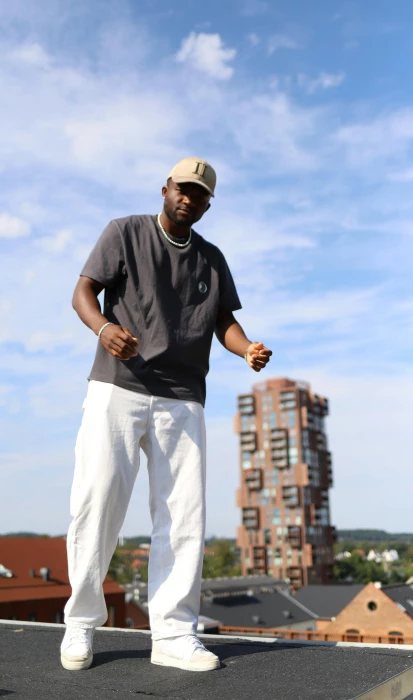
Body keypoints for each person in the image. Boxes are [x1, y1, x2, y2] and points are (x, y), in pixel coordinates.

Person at [61, 157, 272, 673]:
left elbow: (225, 321)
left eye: (200, 194)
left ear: (207, 204)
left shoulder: (212, 258)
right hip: (118, 385)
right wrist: (102, 328)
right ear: (165, 188)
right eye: (183, 188)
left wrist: (245, 349)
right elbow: (83, 292)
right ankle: (82, 624)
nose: (189, 198)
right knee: (96, 504)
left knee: (182, 517)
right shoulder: (125, 232)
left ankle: (174, 635)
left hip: (183, 396)